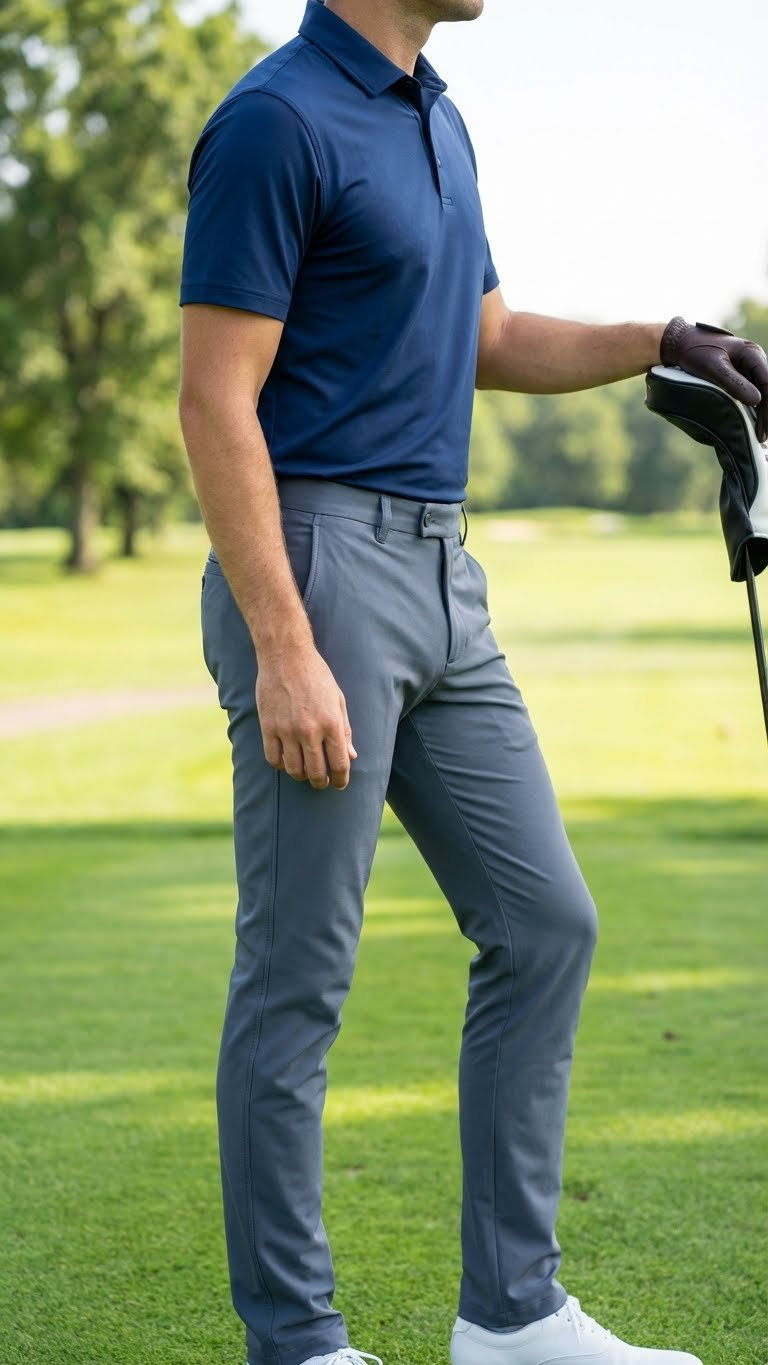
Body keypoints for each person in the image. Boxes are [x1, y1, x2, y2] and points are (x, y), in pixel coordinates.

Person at [177, 3, 768, 1364]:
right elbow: (216, 400)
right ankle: (299, 1340)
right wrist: (280, 641)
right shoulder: (276, 122)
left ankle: (511, 1313)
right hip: (319, 566)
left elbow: (488, 335)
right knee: (298, 976)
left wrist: (660, 337)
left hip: (448, 574)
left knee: (546, 920)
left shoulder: (437, 116)